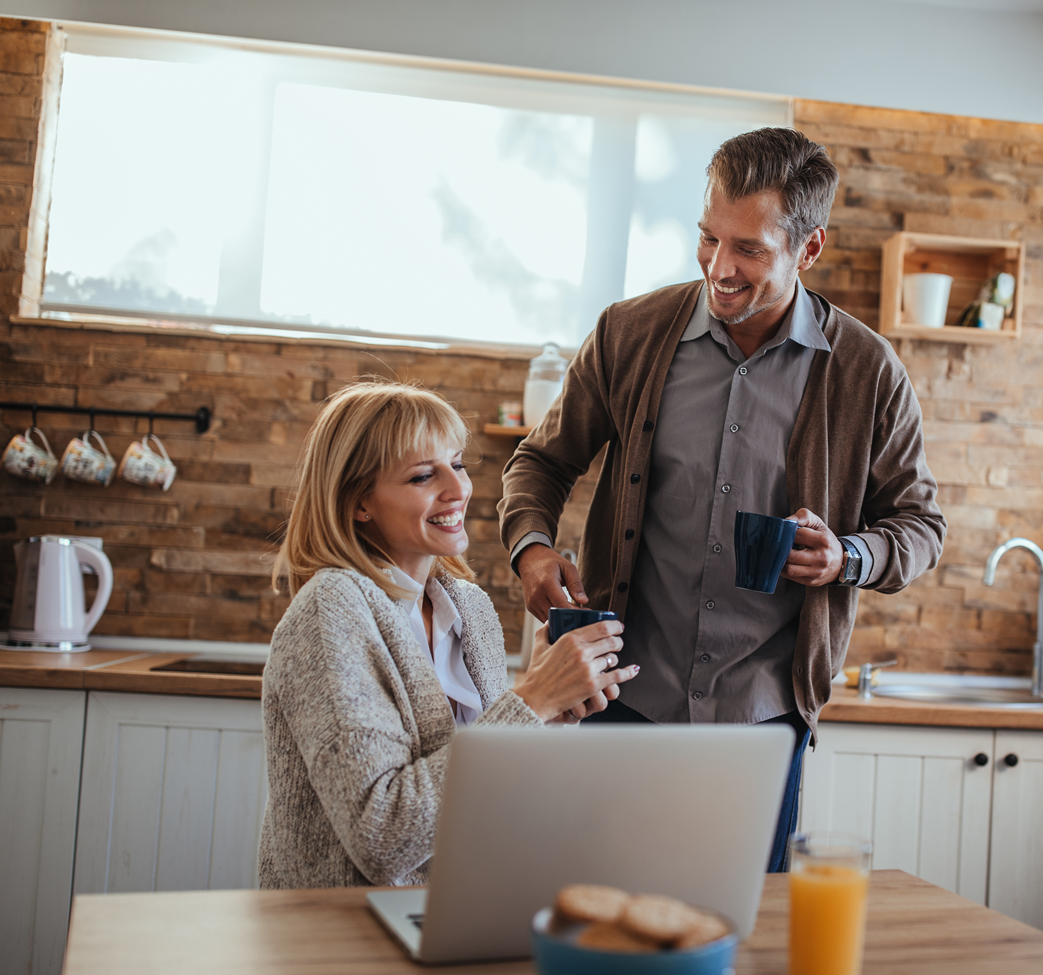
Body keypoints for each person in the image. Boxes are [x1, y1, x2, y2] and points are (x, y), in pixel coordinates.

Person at [499, 128, 946, 871]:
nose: (719, 267)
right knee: (603, 918)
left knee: (742, 944)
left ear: (809, 249)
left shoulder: (868, 371)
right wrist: (532, 548)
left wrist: (850, 555)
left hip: (761, 718)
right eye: (708, 238)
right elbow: (539, 462)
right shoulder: (629, 334)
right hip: (622, 701)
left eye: (749, 249)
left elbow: (921, 525)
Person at [259, 381, 637, 890]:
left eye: (457, 464)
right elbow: (382, 838)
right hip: (349, 933)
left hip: (459, 909)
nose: (458, 489)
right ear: (359, 503)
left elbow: (489, 784)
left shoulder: (468, 606)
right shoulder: (332, 609)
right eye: (422, 475)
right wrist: (532, 702)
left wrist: (552, 712)